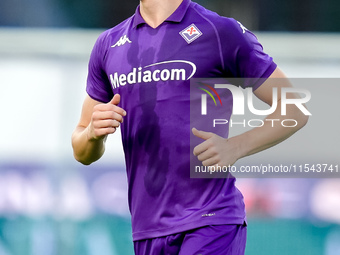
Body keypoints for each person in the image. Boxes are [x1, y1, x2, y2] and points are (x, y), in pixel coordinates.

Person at [71, 0, 308, 254]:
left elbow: (294, 107)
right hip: (147, 230)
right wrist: (93, 134)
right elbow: (81, 151)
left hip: (211, 219)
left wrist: (235, 147)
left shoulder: (218, 31)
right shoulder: (108, 45)